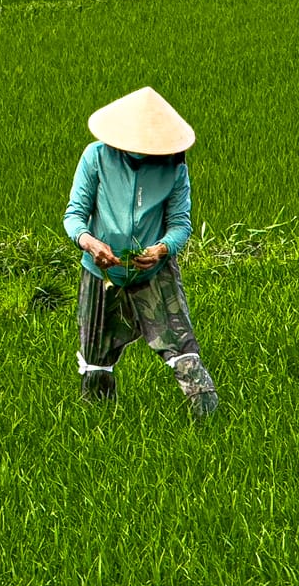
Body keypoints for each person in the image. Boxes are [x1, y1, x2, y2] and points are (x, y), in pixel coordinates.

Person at [63, 86, 218, 418]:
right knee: (96, 356)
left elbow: (180, 223)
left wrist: (162, 249)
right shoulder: (97, 157)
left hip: (153, 271)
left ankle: (212, 422)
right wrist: (89, 242)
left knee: (181, 346)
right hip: (101, 271)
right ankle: (97, 423)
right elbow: (74, 215)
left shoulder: (174, 167)